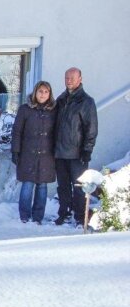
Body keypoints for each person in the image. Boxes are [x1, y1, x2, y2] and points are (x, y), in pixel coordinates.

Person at [53, 67, 98, 226]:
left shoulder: (86, 101)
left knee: (79, 187)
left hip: (77, 154)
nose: (69, 81)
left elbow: (91, 128)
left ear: (80, 79)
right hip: (60, 153)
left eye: (72, 77)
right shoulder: (61, 99)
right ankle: (64, 213)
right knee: (63, 187)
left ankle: (79, 217)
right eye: (66, 78)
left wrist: (87, 149)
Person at [11, 81, 57, 224]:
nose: (43, 95)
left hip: (47, 155)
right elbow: (17, 131)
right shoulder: (25, 109)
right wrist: (15, 151)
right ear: (35, 92)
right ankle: (24, 216)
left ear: (49, 94)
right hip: (28, 153)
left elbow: (57, 132)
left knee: (42, 186)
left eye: (46, 92)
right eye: (40, 91)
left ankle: (38, 217)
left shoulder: (54, 111)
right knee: (28, 184)